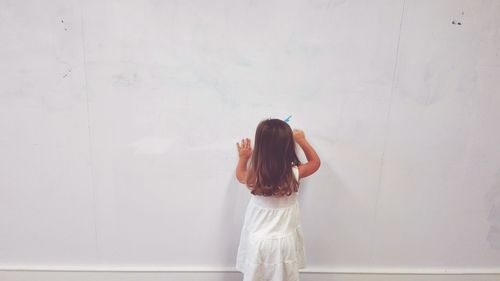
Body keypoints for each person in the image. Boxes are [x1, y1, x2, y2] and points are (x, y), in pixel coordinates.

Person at [235, 118, 321, 281]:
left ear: (260, 148)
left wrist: (243, 158)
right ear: (287, 147)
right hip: (283, 243)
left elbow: (240, 175)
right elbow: (315, 163)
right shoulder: (294, 174)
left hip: (258, 242)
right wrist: (302, 140)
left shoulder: (253, 177)